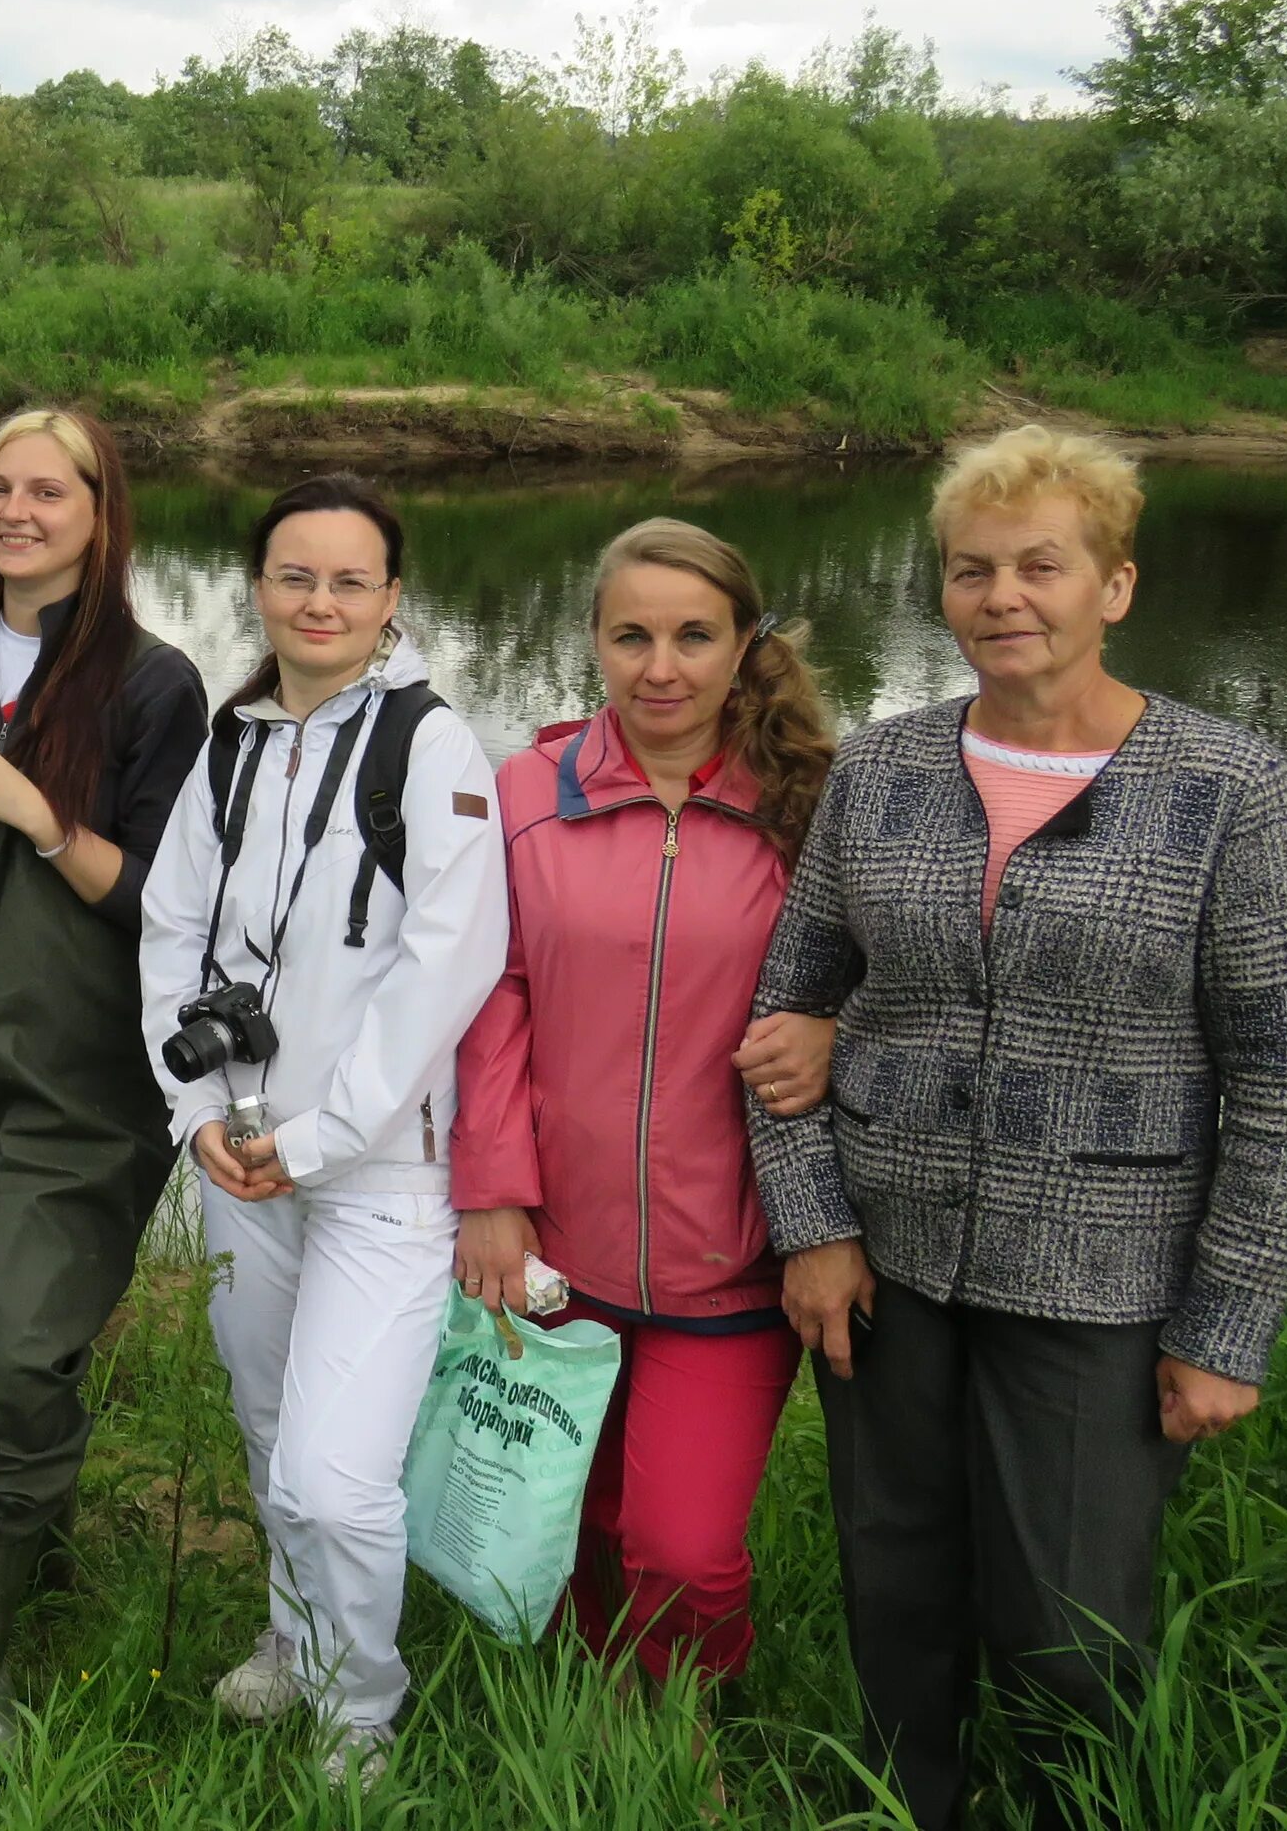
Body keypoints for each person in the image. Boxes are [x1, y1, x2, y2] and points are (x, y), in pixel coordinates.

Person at [746, 425, 1287, 1830]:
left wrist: (1224, 1324)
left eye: (1041, 565)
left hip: (1103, 1281)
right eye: (971, 569)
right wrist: (814, 1228)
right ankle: (909, 1807)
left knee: (1072, 1628)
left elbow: (1282, 1080)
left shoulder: (1227, 787)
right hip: (886, 1267)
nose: (1004, 595)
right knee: (897, 1591)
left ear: (1114, 585)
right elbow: (785, 1016)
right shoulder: (883, 770)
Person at [140, 475, 508, 1791]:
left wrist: (321, 1135)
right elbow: (173, 929)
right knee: (264, 1425)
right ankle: (294, 1638)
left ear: (392, 600)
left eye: (351, 580)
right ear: (260, 588)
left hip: (382, 1174)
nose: (321, 601)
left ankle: (362, 1706)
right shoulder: (233, 738)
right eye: (297, 576)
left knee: (336, 1476)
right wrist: (196, 1115)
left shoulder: (432, 748)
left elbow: (445, 968)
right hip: (242, 1157)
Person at [450, 518, 837, 1710]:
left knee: (681, 1545)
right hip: (560, 1253)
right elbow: (492, 996)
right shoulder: (526, 793)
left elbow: (896, 984)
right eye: (632, 636)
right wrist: (495, 1196)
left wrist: (837, 1034)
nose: (659, 668)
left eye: (692, 636)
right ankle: (597, 1716)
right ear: (596, 643)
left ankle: (682, 1726)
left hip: (730, 1259)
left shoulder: (815, 804)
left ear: (744, 645)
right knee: (573, 1516)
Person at [0, 408, 209, 1750]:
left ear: (99, 511)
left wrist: (41, 817)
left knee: (17, 1345)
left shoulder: (153, 683)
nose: (18, 509)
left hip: (78, 1082)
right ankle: (34, 1534)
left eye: (48, 489)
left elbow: (171, 907)